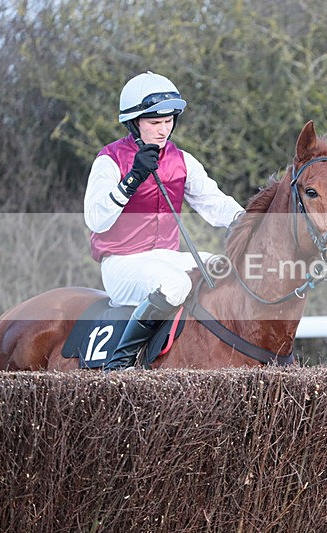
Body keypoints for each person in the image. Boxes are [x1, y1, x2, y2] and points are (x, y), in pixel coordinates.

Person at [84, 71, 244, 372]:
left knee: (224, 269)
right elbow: (96, 220)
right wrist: (131, 180)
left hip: (165, 257)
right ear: (134, 123)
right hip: (121, 263)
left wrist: (248, 221)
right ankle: (120, 362)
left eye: (168, 122)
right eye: (155, 123)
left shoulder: (182, 160)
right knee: (175, 283)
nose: (163, 130)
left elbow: (214, 202)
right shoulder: (110, 160)